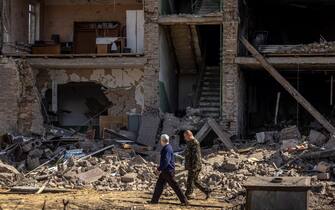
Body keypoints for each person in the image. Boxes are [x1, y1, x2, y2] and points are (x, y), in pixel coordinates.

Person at [149, 134, 189, 205]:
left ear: (162, 141)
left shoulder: (166, 148)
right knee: (159, 185)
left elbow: (166, 161)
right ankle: (154, 201)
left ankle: (185, 201)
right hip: (166, 171)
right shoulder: (168, 147)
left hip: (168, 171)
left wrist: (159, 169)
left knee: (175, 186)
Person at [183, 130, 211, 200]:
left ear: (189, 135)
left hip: (195, 165)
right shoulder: (190, 142)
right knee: (195, 181)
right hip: (192, 165)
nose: (184, 138)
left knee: (190, 180)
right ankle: (207, 190)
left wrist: (193, 167)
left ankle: (188, 195)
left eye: (185, 136)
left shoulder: (195, 143)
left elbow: (195, 156)